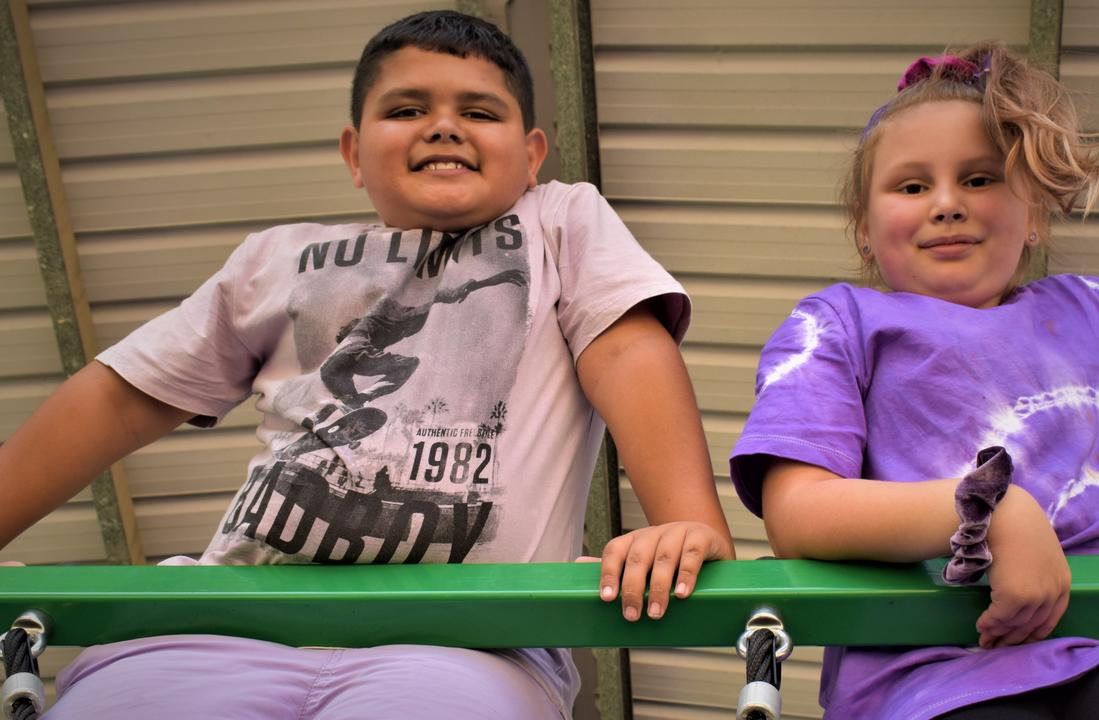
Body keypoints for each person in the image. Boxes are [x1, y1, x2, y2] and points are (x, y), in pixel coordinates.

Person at [0, 10, 733, 719]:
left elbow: (627, 347)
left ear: (533, 154)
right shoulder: (278, 258)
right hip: (222, 619)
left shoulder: (560, 223)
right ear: (354, 152)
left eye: (480, 111)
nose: (444, 125)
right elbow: (121, 395)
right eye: (407, 108)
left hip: (469, 642)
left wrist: (689, 523)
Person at [730, 41, 1099, 720]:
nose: (946, 203)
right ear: (864, 230)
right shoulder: (840, 323)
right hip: (932, 673)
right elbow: (798, 512)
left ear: (1036, 217)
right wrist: (988, 511)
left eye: (981, 179)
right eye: (910, 186)